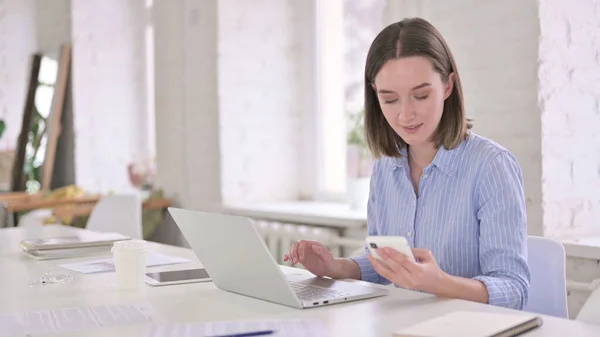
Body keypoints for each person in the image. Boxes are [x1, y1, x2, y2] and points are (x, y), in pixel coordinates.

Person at [284, 17, 530, 310]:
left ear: (448, 85)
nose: (405, 115)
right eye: (390, 100)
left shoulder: (491, 167)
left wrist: (440, 283)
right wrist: (334, 267)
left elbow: (514, 290)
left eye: (421, 95)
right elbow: (384, 264)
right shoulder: (385, 167)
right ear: (375, 95)